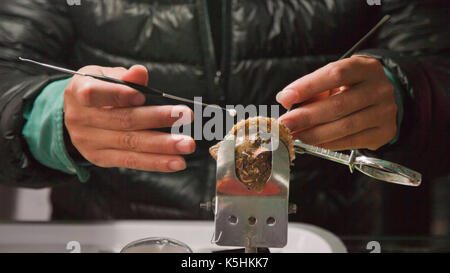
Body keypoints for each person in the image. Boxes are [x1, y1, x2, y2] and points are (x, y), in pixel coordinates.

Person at [0, 0, 448, 235]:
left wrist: (411, 96)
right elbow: (9, 68)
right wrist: (48, 118)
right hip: (120, 233)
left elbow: (439, 67)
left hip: (339, 233)